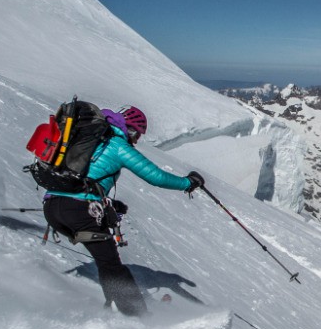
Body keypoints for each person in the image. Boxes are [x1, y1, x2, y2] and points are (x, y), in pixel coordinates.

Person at [42, 105, 204, 316]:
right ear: (128, 128)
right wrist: (188, 183)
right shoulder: (116, 144)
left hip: (52, 207)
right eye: (136, 134)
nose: (136, 140)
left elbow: (82, 179)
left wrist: (108, 203)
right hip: (79, 210)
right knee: (112, 266)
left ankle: (119, 309)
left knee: (107, 262)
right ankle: (141, 319)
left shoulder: (85, 137)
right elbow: (156, 177)